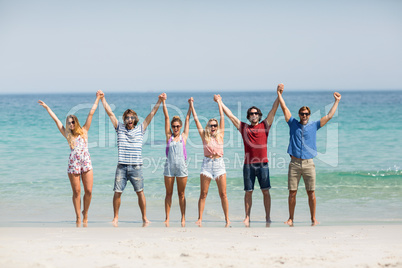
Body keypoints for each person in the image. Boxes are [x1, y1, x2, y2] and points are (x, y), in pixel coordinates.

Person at [218, 84, 282, 226]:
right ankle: (247, 217)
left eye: (256, 113)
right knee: (248, 192)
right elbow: (230, 116)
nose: (254, 115)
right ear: (248, 116)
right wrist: (220, 102)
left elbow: (274, 109)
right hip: (248, 165)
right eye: (251, 114)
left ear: (259, 115)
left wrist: (279, 94)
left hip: (263, 164)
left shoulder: (265, 125)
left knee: (266, 191)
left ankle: (267, 217)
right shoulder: (244, 128)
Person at [277, 87, 341, 226]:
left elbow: (329, 116)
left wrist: (336, 101)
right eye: (302, 113)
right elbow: (284, 107)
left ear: (309, 115)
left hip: (308, 164)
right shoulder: (293, 123)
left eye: (306, 114)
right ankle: (290, 219)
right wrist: (279, 94)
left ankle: (313, 219)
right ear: (299, 114)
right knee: (292, 193)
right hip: (294, 163)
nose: (304, 116)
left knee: (311, 193)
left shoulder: (314, 125)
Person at [99, 91, 165, 226]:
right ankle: (116, 217)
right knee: (117, 192)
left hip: (136, 167)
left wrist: (159, 101)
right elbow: (110, 113)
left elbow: (151, 115)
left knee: (140, 192)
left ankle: (144, 218)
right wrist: (102, 99)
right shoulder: (119, 128)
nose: (130, 119)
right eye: (127, 117)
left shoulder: (140, 129)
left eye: (132, 117)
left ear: (135, 119)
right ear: (124, 119)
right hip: (122, 166)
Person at [38, 91, 101, 226]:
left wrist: (97, 99)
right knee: (77, 192)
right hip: (73, 165)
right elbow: (56, 120)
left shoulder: (84, 131)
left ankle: (86, 212)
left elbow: (91, 114)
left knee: (88, 191)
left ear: (76, 122)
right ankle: (78, 216)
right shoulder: (67, 134)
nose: (71, 124)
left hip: (86, 163)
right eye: (69, 122)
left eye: (73, 122)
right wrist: (47, 107)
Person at [190, 95, 230, 227]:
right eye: (211, 125)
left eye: (215, 125)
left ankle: (227, 219)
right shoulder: (204, 136)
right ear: (208, 126)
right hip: (206, 165)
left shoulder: (221, 135)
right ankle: (200, 218)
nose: (213, 127)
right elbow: (196, 120)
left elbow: (222, 116)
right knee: (203, 193)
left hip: (219, 164)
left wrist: (219, 102)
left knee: (223, 194)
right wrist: (191, 105)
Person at [162, 95, 191, 226]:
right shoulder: (169, 136)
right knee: (168, 194)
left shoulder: (183, 137)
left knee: (181, 194)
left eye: (178, 126)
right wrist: (163, 102)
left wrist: (190, 105)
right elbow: (166, 118)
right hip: (169, 167)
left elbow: (187, 118)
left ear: (181, 126)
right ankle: (167, 218)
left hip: (181, 168)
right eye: (174, 126)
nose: (176, 128)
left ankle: (183, 217)